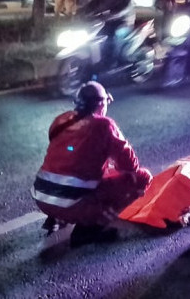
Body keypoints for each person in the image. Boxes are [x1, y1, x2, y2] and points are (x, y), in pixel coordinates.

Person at [32, 81, 152, 247]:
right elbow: (131, 165)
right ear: (101, 104)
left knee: (77, 173)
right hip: (71, 205)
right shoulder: (104, 125)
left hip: (41, 197)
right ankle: (89, 229)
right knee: (142, 177)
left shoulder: (60, 121)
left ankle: (57, 218)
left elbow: (66, 155)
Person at [82, 0, 132, 66]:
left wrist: (113, 14)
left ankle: (112, 61)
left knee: (112, 36)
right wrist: (83, 11)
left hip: (120, 20)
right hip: (103, 20)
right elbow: (95, 2)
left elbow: (125, 6)